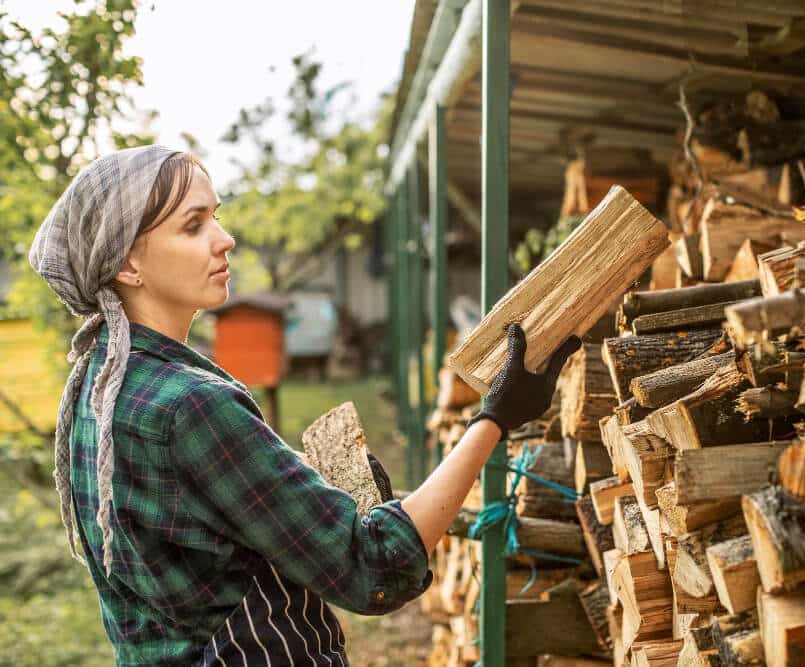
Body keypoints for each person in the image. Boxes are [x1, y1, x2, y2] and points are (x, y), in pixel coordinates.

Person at [29, 145, 581, 666]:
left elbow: (198, 531)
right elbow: (373, 566)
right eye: (193, 226)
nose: (225, 240)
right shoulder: (191, 407)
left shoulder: (95, 385)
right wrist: (497, 415)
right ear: (127, 265)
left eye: (216, 217)